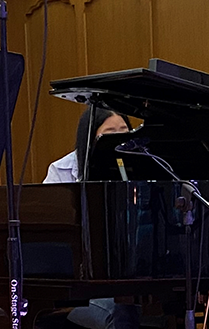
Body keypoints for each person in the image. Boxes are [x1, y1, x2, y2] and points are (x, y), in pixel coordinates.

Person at [43, 107, 139, 329]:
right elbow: (53, 231)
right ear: (91, 137)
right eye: (109, 132)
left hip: (128, 278)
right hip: (79, 280)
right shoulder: (62, 171)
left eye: (124, 131)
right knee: (120, 312)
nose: (118, 139)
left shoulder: (139, 168)